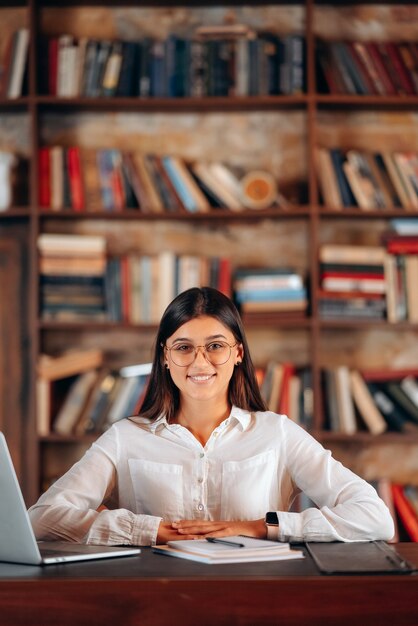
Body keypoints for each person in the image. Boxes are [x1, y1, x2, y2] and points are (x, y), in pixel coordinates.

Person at [29, 287, 394, 546]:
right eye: (184, 347)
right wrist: (148, 530)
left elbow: (373, 516)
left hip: (258, 599)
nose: (199, 362)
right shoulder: (125, 437)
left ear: (237, 353)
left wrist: (259, 527)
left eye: (215, 346)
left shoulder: (277, 433)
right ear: (164, 356)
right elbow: (42, 518)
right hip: (154, 599)